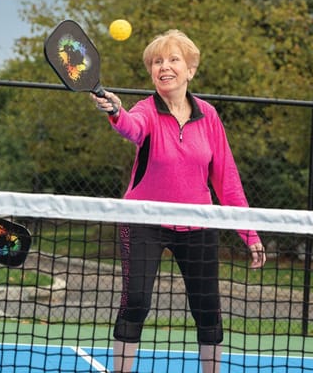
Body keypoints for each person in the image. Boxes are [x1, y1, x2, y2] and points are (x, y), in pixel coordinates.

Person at [91, 29, 266, 373]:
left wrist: (250, 234)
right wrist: (115, 110)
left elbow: (227, 180)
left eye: (173, 60)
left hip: (198, 222)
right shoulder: (146, 110)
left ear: (191, 70)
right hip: (144, 220)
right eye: (157, 61)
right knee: (136, 301)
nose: (164, 67)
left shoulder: (209, 117)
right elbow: (131, 126)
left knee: (208, 308)